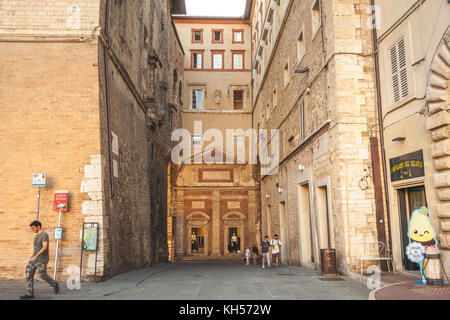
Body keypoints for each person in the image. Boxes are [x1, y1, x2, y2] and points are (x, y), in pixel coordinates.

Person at [20, 221, 59, 299]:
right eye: (31, 228)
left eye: (33, 228)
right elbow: (36, 248)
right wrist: (32, 257)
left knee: (42, 275)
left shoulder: (44, 235)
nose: (32, 229)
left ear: (38, 227)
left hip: (42, 259)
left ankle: (54, 284)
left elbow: (45, 247)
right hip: (34, 259)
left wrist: (36, 256)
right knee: (29, 274)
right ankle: (30, 293)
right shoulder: (36, 235)